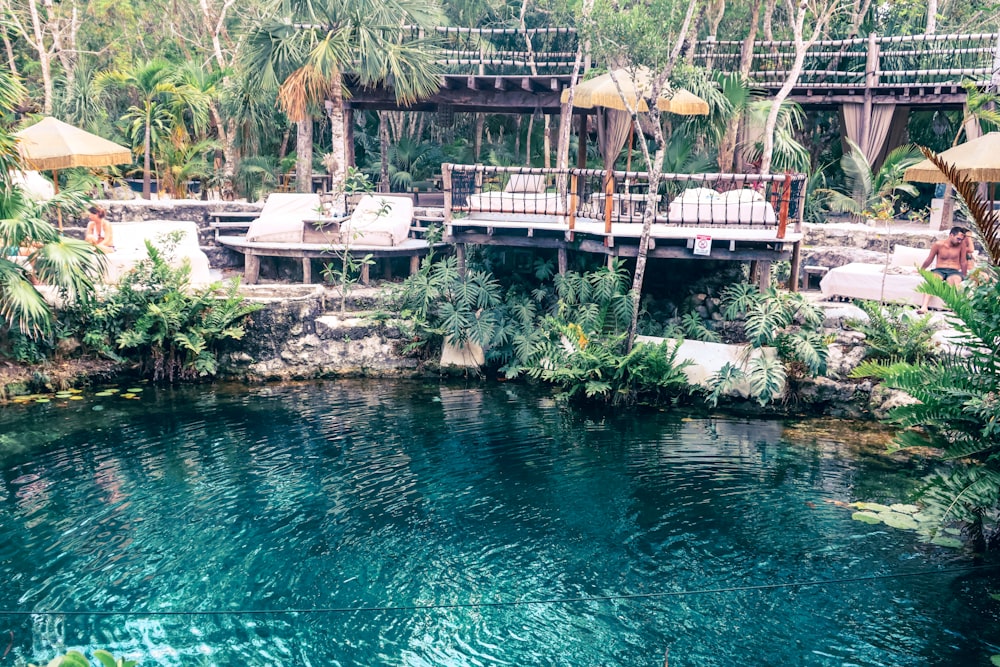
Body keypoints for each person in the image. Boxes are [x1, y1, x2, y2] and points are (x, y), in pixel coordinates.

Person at [916, 226, 968, 314]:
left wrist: (964, 275)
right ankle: (924, 307)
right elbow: (929, 259)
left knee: (955, 282)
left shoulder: (961, 245)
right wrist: (921, 270)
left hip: (954, 271)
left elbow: (963, 262)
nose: (959, 241)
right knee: (933, 280)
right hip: (939, 270)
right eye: (958, 239)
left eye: (961, 240)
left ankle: (957, 308)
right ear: (951, 235)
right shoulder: (938, 245)